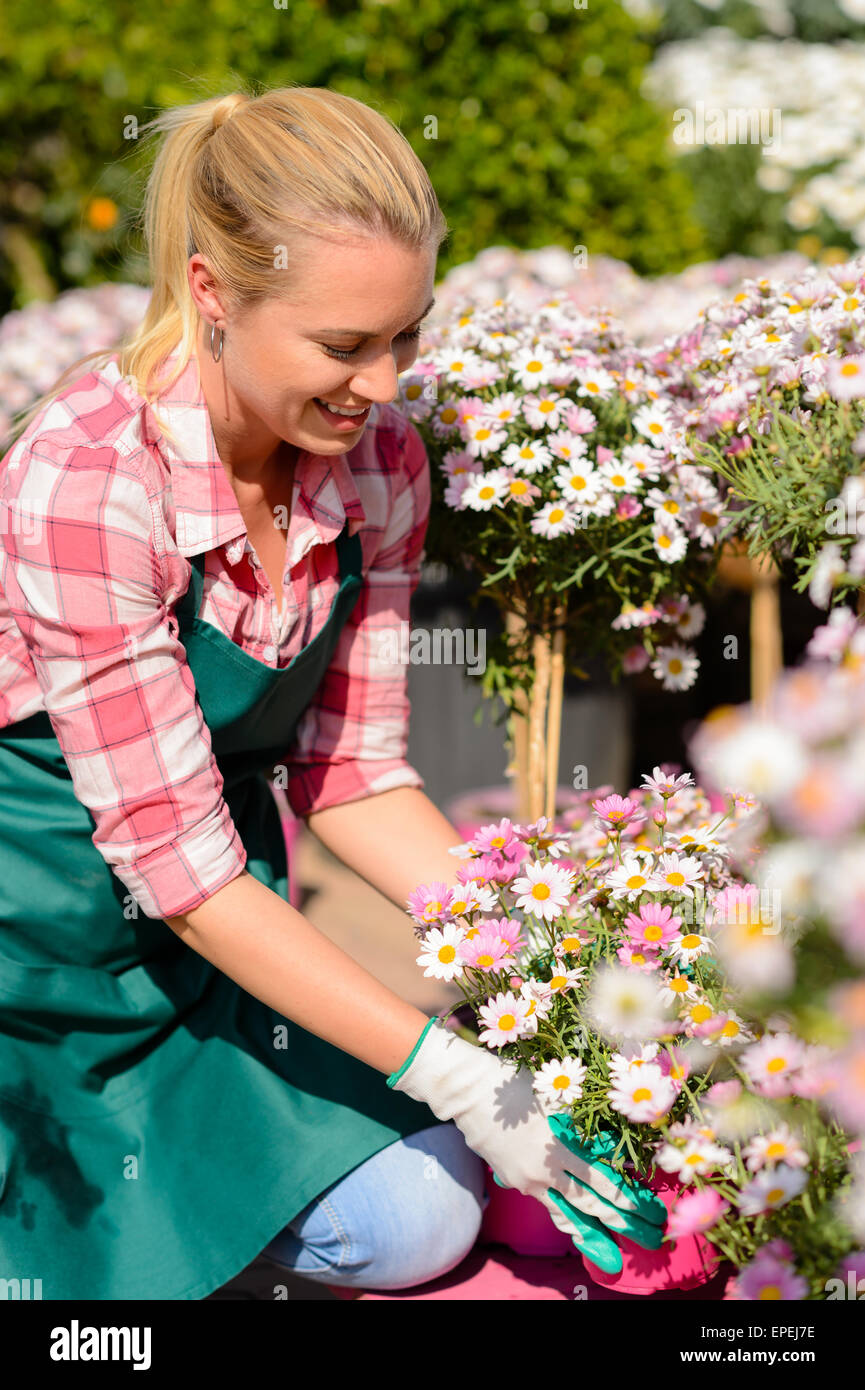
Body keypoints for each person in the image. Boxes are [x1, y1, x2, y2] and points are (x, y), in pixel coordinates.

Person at [0, 85, 666, 1301]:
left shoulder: (377, 463)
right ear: (211, 292)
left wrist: (567, 958)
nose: (383, 381)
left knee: (434, 1207)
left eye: (405, 333)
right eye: (343, 346)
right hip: (37, 968)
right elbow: (180, 869)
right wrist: (462, 1076)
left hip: (218, 954)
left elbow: (351, 770)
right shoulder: (93, 476)